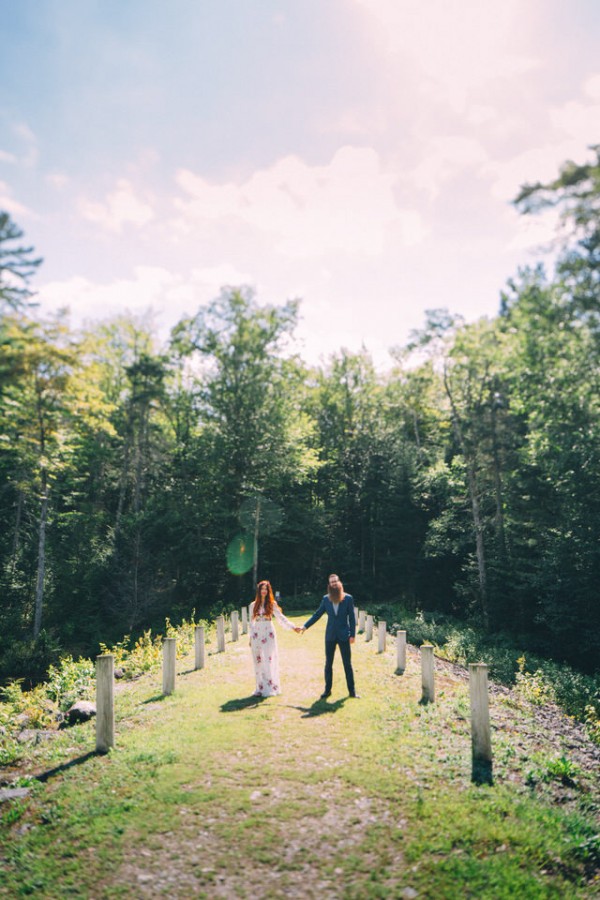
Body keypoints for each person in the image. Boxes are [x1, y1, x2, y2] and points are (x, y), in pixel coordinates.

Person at [301, 573, 359, 699]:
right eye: (331, 582)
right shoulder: (326, 599)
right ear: (329, 585)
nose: (334, 584)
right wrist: (305, 626)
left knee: (347, 664)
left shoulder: (348, 598)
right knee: (328, 664)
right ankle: (327, 691)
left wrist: (352, 635)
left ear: (339, 582)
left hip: (344, 636)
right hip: (330, 636)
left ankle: (352, 692)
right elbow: (317, 614)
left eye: (335, 581)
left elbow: (352, 618)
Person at [249, 580, 301, 697]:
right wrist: (250, 638)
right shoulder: (253, 605)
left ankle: (269, 688)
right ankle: (259, 688)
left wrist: (293, 627)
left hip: (268, 633)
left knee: (268, 660)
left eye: (266, 589)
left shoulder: (272, 604)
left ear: (268, 591)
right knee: (258, 661)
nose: (264, 591)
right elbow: (251, 622)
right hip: (257, 634)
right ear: (259, 591)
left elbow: (281, 618)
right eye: (262, 589)